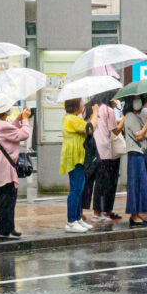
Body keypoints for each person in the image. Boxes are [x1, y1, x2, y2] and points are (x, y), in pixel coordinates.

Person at [0, 95, 32, 241]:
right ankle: (4, 232)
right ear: (6, 110)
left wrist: (18, 119)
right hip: (6, 169)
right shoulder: (2, 125)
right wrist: (25, 120)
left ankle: (9, 226)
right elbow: (23, 134)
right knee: (7, 200)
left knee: (7, 199)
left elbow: (10, 128)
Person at [61, 99, 96, 233]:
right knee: (76, 189)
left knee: (79, 188)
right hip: (74, 157)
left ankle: (77, 218)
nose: (83, 105)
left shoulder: (72, 118)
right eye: (81, 103)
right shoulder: (71, 119)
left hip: (77, 157)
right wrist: (95, 112)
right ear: (75, 106)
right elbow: (91, 128)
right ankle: (71, 222)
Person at [124, 95, 147, 228]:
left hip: (139, 153)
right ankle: (134, 215)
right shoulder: (130, 116)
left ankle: (136, 214)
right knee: (135, 185)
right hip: (135, 154)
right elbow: (139, 135)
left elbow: (146, 134)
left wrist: (145, 131)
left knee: (140, 184)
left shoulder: (134, 116)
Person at [92, 96, 124, 222]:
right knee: (107, 183)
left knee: (98, 184)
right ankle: (103, 212)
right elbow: (115, 131)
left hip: (95, 151)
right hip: (106, 151)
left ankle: (97, 212)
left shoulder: (95, 109)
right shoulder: (109, 110)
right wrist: (124, 119)